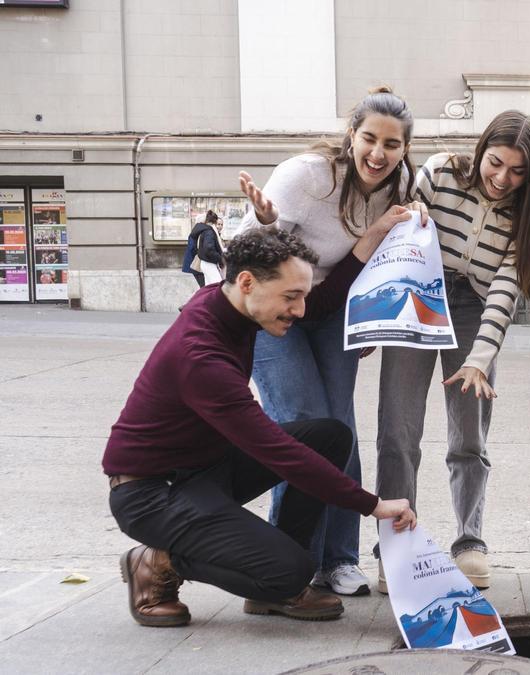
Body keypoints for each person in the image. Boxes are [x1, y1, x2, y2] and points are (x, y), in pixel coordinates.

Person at [103, 225, 417, 628]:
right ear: (248, 282)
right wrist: (373, 505)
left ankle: (280, 586)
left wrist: (367, 246)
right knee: (290, 569)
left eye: (301, 295)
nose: (300, 310)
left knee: (329, 436)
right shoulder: (201, 356)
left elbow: (317, 306)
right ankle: (157, 561)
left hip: (204, 471)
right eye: (291, 297)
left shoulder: (228, 303)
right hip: (150, 494)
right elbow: (275, 450)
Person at [237, 86, 425, 597]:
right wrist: (268, 220)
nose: (378, 154)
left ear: (405, 149)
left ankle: (338, 559)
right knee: (304, 425)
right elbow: (247, 253)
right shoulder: (308, 176)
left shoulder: (399, 185)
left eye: (392, 144)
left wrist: (369, 319)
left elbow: (372, 263)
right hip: (277, 312)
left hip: (333, 311)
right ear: (351, 135)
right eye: (369, 139)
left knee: (339, 427)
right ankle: (290, 562)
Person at [375, 110, 530, 592]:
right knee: (398, 430)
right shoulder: (440, 172)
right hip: (417, 297)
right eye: (495, 163)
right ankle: (397, 543)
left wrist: (480, 356)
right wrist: (375, 320)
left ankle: (469, 540)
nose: (502, 179)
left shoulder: (529, 214)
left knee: (469, 434)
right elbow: (397, 238)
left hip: (475, 309)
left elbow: (505, 289)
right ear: (481, 150)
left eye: (517, 172)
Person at [185, 210, 223, 287]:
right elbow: (208, 249)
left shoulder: (202, 231)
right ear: (214, 222)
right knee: (217, 287)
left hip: (204, 262)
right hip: (206, 262)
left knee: (208, 287)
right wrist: (221, 258)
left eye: (221, 224)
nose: (219, 226)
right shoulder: (209, 232)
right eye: (218, 224)